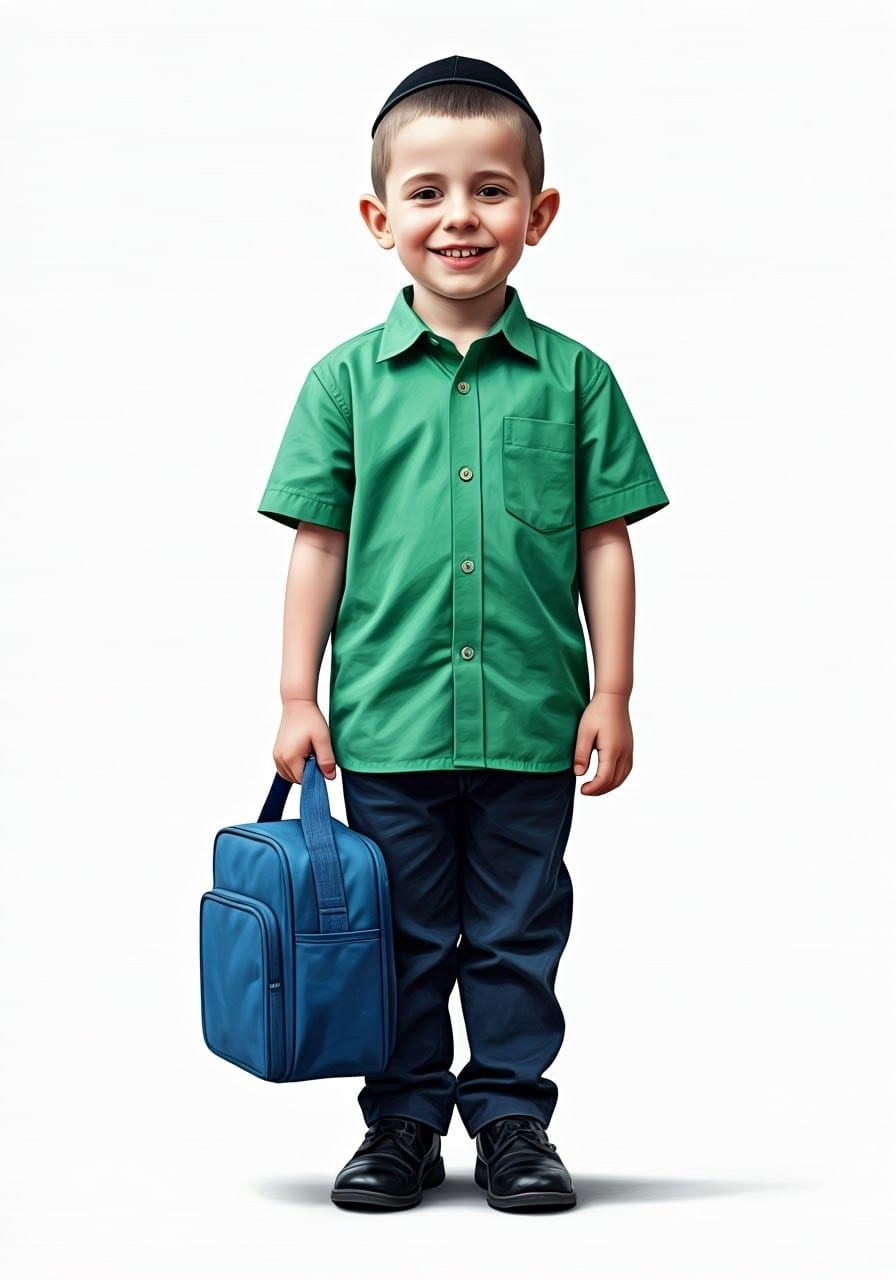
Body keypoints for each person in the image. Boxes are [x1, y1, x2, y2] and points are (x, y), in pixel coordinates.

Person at [257, 54, 670, 1213]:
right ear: (377, 215)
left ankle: (507, 1120)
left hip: (533, 721)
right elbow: (318, 546)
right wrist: (299, 694)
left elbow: (603, 542)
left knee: (513, 935)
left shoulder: (577, 382)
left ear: (535, 215)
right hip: (384, 725)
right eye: (427, 191)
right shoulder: (342, 384)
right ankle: (397, 1120)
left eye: (489, 190)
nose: (459, 216)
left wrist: (614, 689)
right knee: (397, 938)